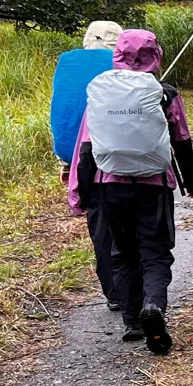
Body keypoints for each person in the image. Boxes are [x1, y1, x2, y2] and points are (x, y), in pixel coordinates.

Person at [66, 29, 193, 355]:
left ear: (118, 55)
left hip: (109, 186)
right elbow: (181, 140)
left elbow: (85, 149)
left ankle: (132, 321)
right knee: (154, 251)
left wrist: (80, 193)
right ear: (156, 55)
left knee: (122, 251)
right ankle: (153, 306)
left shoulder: (101, 94)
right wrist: (191, 184)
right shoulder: (165, 93)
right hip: (154, 186)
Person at [50, 20, 125, 310]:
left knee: (100, 226)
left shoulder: (67, 62)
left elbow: (62, 109)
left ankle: (114, 293)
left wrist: (65, 160)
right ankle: (134, 285)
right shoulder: (125, 66)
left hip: (78, 156)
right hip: (118, 155)